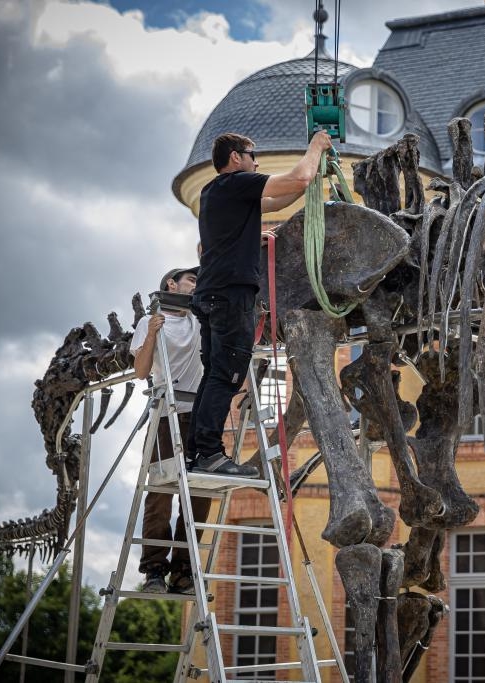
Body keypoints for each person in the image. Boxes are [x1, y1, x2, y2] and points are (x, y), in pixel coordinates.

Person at [188, 130, 334, 476]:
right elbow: (297, 178)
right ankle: (209, 454)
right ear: (236, 158)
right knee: (227, 374)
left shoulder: (217, 193)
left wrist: (311, 175)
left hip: (212, 293)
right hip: (230, 294)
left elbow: (283, 197)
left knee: (215, 374)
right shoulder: (236, 183)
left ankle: (198, 452)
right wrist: (316, 146)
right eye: (253, 155)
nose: (257, 162)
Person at [130, 266, 210, 594]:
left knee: (200, 494)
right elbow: (141, 371)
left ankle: (183, 571)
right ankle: (153, 570)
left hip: (199, 415)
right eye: (191, 279)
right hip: (167, 414)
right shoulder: (151, 321)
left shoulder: (200, 319)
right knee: (162, 494)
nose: (196, 285)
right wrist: (151, 332)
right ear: (172, 284)